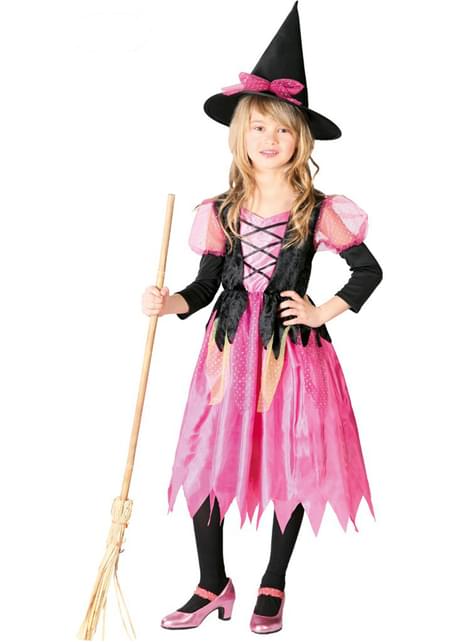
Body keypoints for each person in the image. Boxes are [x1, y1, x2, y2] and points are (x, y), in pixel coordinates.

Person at [142, 1, 383, 634]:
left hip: (291, 354)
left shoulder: (318, 208)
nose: (269, 140)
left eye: (282, 130)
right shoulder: (219, 209)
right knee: (208, 454)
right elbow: (205, 286)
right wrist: (171, 303)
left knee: (290, 458)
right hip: (227, 352)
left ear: (300, 139)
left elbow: (368, 272)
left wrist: (320, 309)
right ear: (239, 135)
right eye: (258, 128)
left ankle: (273, 580)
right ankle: (211, 582)